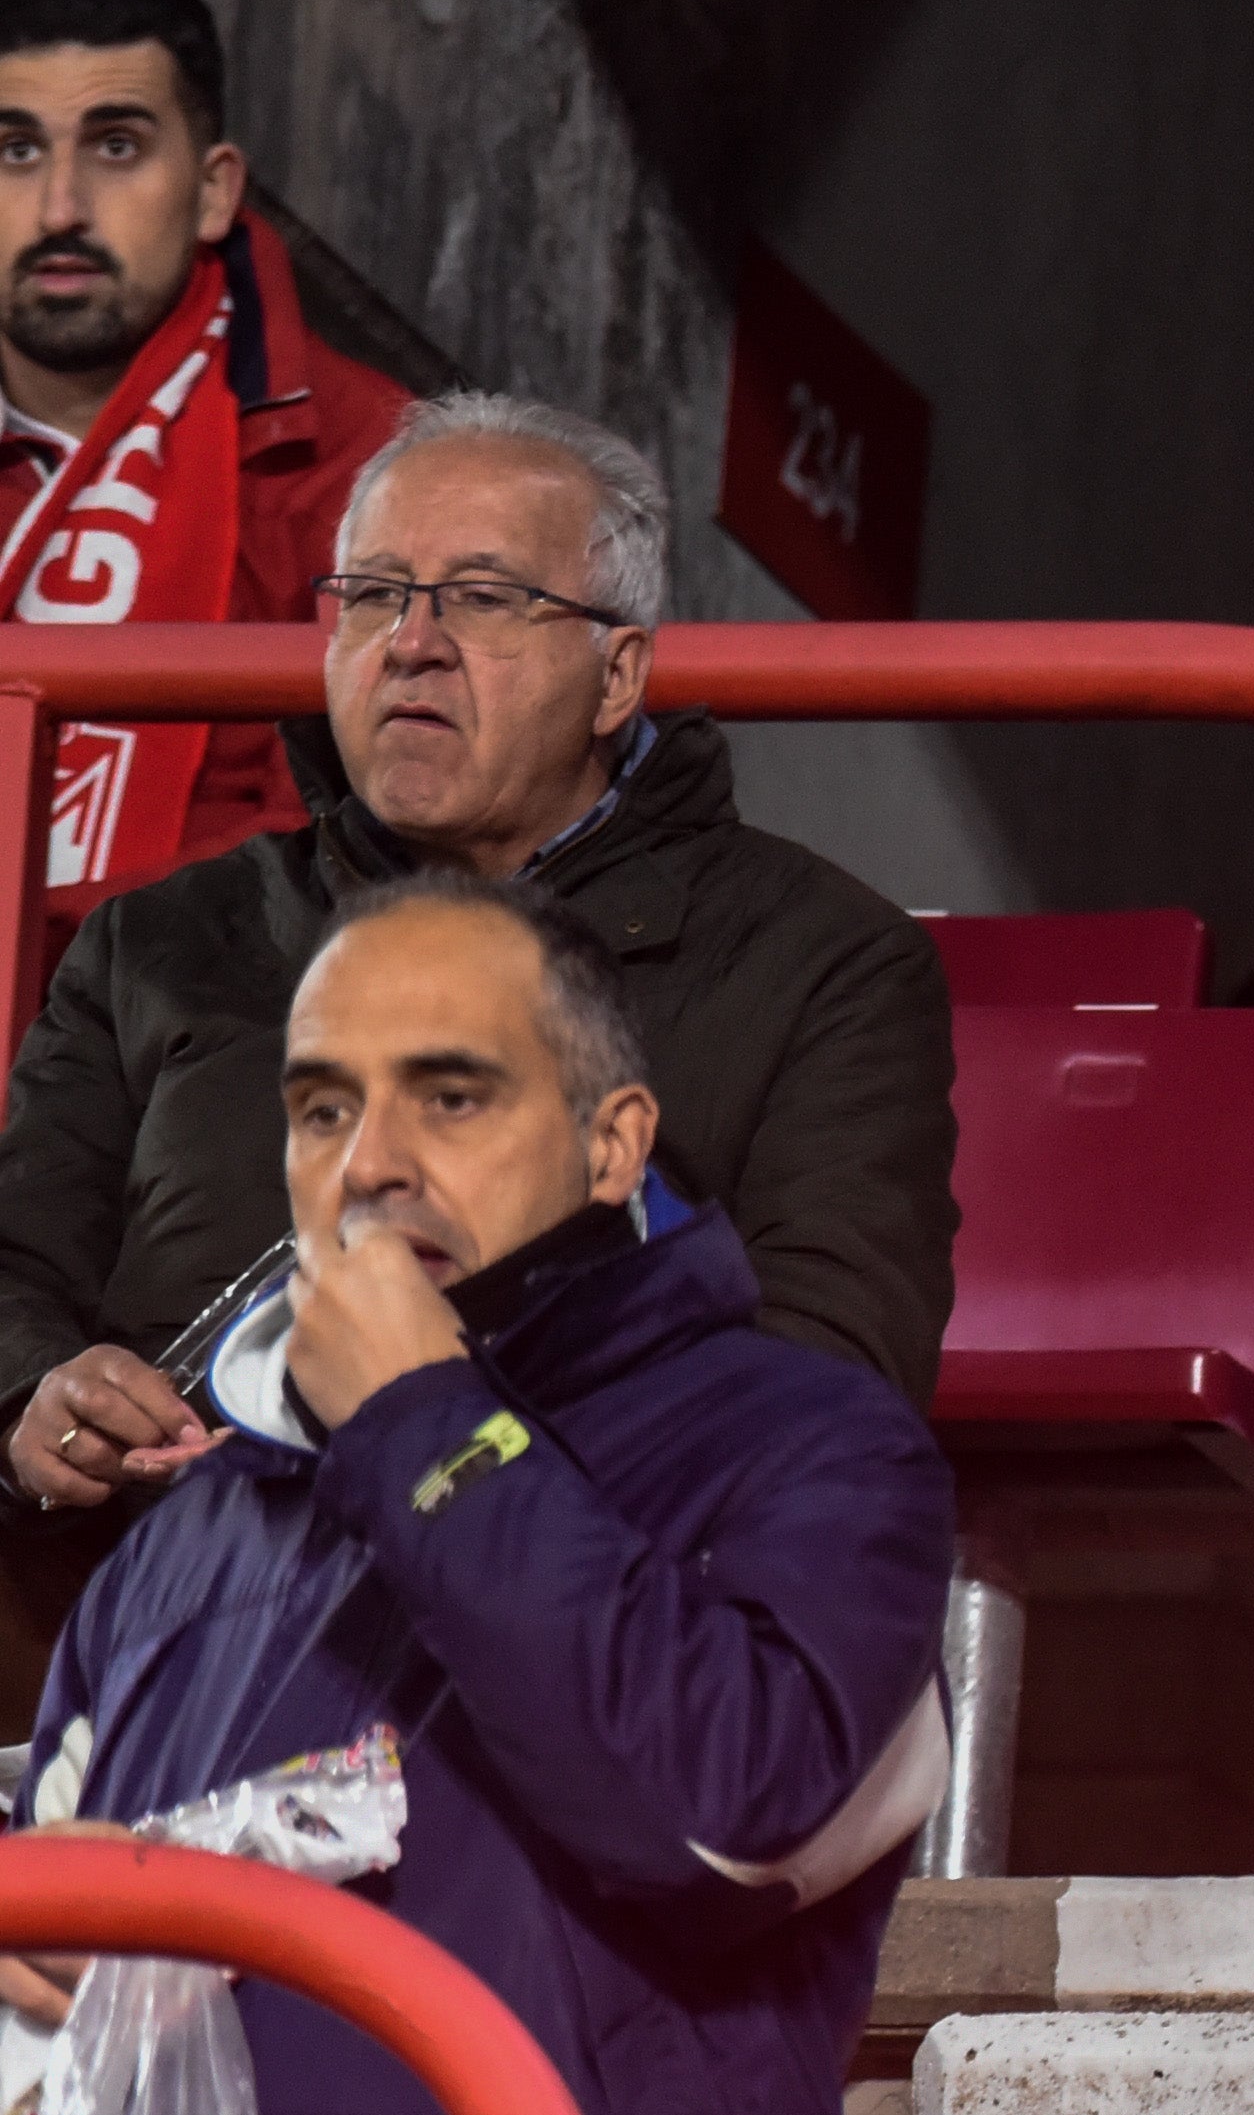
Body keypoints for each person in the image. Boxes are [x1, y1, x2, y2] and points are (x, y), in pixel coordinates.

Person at [0, 872, 954, 2115]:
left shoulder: (813, 1455)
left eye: (451, 1094)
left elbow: (720, 1807)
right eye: (322, 1104)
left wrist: (429, 1419)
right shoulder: (194, 1527)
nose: (370, 1165)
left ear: (613, 1144)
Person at [0, 399, 958, 1560]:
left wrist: (448, 1452)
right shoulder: (159, 938)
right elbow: (16, 1264)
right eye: (373, 594)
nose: (411, 642)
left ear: (617, 677)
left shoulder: (824, 963)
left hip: (554, 1609)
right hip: (138, 1590)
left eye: (485, 598)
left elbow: (831, 1369)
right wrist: (39, 1394)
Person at [0, 0, 420, 908]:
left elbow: (356, 854)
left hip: (187, 1039)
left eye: (116, 147)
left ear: (215, 189)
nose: (60, 207)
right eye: (15, 149)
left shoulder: (376, 464)